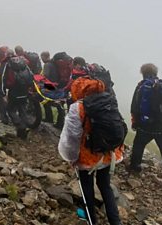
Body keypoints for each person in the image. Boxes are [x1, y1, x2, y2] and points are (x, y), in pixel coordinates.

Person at [58, 77, 124, 225]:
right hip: (108, 153)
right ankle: (115, 221)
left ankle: (90, 219)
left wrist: (71, 157)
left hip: (87, 157)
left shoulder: (78, 107)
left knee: (86, 186)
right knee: (105, 185)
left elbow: (72, 136)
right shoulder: (109, 100)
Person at [129, 63, 162, 193]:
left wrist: (135, 123)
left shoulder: (142, 86)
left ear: (143, 73)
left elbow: (135, 107)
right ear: (156, 72)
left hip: (145, 127)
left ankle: (135, 169)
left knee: (138, 145)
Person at [1, 49, 33, 139]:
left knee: (10, 109)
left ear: (6, 55)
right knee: (22, 109)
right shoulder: (22, 61)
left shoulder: (6, 64)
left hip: (13, 90)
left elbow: (2, 79)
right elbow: (30, 74)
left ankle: (20, 125)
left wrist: (3, 93)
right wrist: (30, 88)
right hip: (24, 89)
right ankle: (23, 132)